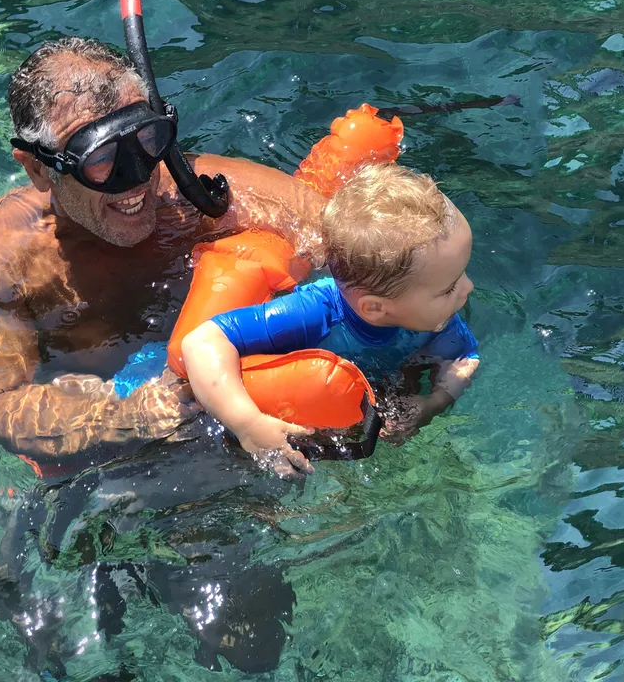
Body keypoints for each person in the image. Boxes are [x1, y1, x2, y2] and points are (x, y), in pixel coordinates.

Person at [0, 35, 326, 673]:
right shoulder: (3, 263)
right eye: (101, 161)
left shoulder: (197, 198)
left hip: (222, 421)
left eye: (146, 142)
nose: (137, 181)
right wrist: (126, 416)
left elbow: (365, 244)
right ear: (38, 169)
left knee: (254, 629)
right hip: (102, 454)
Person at [181, 162, 480, 477]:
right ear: (375, 308)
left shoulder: (437, 317)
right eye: (449, 288)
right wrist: (247, 424)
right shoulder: (315, 313)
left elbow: (462, 358)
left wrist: (431, 404)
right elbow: (201, 342)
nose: (468, 289)